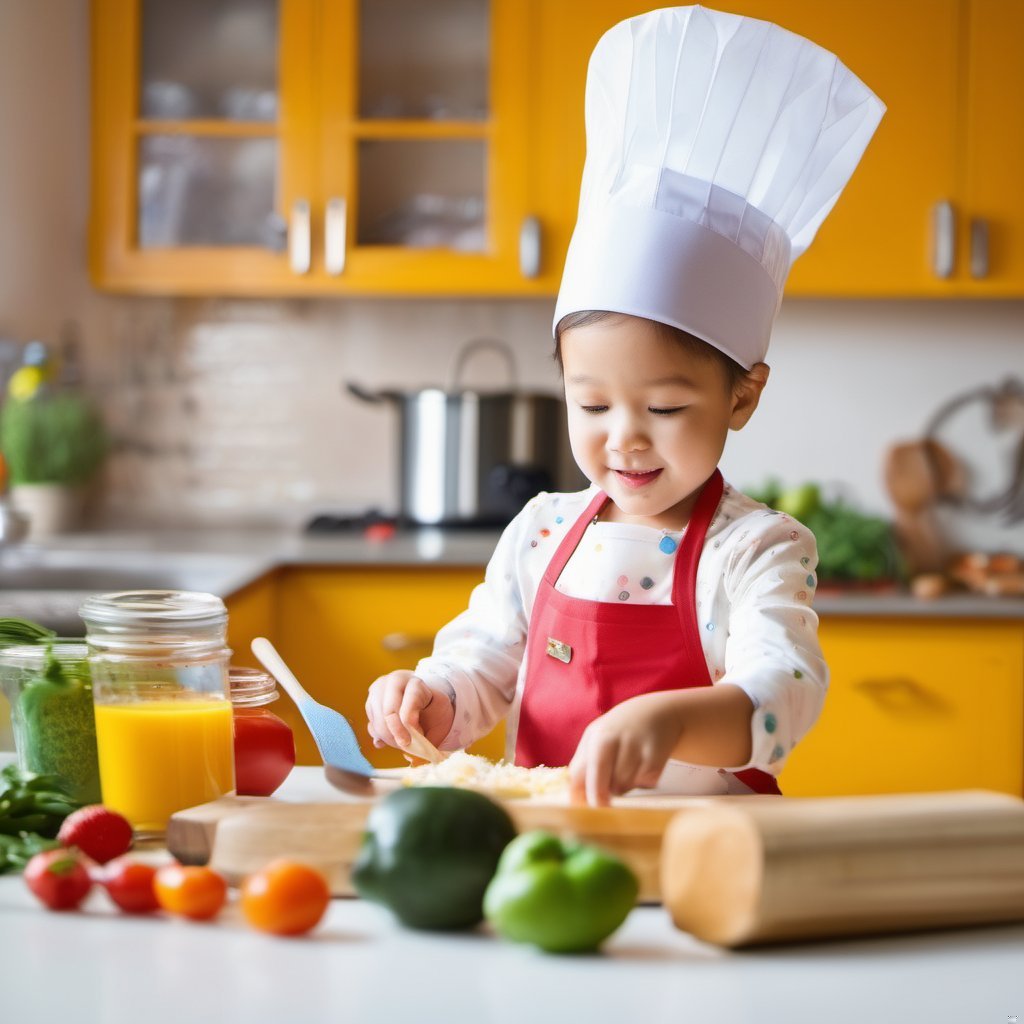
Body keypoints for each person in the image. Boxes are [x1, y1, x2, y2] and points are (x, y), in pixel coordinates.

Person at [366, 6, 885, 805]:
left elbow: (785, 691)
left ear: (742, 395)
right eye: (593, 404)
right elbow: (486, 668)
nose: (625, 440)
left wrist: (671, 724)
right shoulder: (540, 530)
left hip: (707, 861)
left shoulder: (756, 550)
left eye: (667, 410)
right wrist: (429, 699)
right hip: (547, 867)